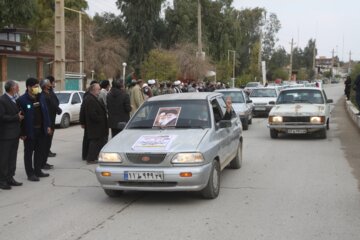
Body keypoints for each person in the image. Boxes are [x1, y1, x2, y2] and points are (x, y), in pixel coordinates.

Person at [17, 77, 52, 181]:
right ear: (28, 87)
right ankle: (30, 173)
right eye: (35, 87)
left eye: (38, 86)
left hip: (41, 129)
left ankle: (38, 170)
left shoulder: (40, 97)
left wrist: (48, 126)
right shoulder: (21, 100)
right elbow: (21, 119)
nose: (37, 88)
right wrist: (22, 133)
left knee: (39, 151)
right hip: (29, 132)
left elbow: (45, 112)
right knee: (28, 153)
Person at [0, 80, 24, 189]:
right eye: (17, 87)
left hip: (15, 134)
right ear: (12, 88)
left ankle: (10, 177)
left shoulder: (16, 99)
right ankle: (2, 180)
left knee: (12, 157)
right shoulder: (2, 100)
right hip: (6, 135)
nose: (18, 89)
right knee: (4, 158)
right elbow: (2, 117)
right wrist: (16, 117)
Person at [82, 83, 108, 164]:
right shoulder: (90, 99)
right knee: (94, 142)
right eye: (98, 89)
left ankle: (93, 157)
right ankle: (90, 159)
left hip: (96, 125)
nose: (100, 91)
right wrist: (101, 118)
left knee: (96, 142)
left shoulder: (93, 98)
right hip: (94, 125)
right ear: (93, 90)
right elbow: (92, 114)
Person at [40, 77, 62, 169]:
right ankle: (42, 163)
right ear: (45, 86)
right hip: (48, 122)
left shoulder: (49, 94)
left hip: (51, 121)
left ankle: (44, 162)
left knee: (47, 144)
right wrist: (58, 109)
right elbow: (53, 105)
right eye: (49, 83)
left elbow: (54, 103)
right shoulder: (43, 96)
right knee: (45, 144)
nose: (51, 84)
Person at [80, 80, 98, 160]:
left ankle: (85, 155)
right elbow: (82, 109)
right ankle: (85, 155)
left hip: (87, 121)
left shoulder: (88, 95)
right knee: (88, 139)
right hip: (88, 121)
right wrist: (82, 121)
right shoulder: (88, 97)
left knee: (87, 138)